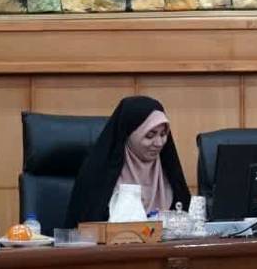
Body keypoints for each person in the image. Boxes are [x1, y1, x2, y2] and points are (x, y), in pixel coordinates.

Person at [65, 96, 189, 227]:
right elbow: (83, 230)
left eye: (163, 134)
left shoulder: (170, 173)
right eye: (150, 135)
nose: (159, 143)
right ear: (130, 134)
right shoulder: (98, 176)